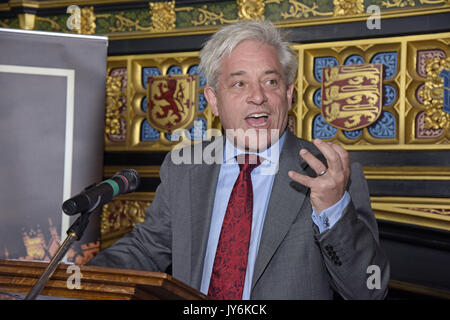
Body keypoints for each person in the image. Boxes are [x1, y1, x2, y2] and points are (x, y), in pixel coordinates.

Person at [89, 20, 390, 299]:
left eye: (271, 82)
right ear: (214, 100)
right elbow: (145, 249)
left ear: (289, 94)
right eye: (239, 84)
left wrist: (333, 210)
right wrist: (71, 280)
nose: (258, 97)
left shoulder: (329, 174)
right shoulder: (185, 166)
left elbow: (368, 291)